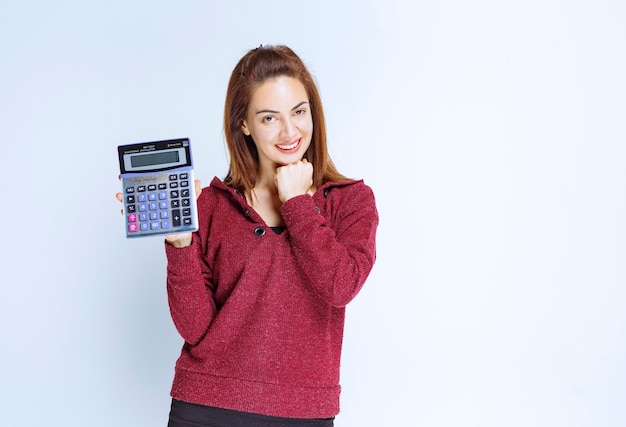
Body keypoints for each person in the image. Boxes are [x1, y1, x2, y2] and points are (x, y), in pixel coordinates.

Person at [118, 45, 378, 426]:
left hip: (301, 413)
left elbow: (341, 286)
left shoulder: (350, 201)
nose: (290, 131)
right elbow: (195, 329)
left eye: (299, 112)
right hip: (205, 405)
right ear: (244, 124)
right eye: (269, 117)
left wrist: (297, 204)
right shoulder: (210, 205)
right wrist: (180, 244)